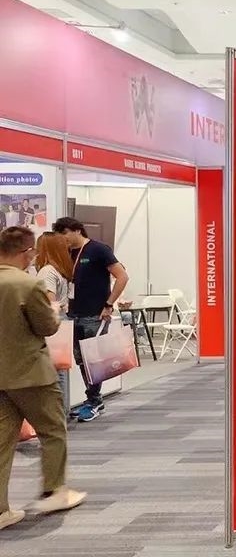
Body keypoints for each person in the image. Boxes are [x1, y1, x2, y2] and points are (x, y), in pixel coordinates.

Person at [0, 226, 86, 531]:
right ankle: (54, 491)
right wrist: (53, 311)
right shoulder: (27, 284)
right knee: (52, 430)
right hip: (32, 373)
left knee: (3, 442)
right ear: (26, 252)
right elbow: (47, 327)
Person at [52, 218, 129, 423]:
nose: (64, 238)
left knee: (94, 360)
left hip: (95, 314)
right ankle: (94, 399)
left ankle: (93, 401)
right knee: (81, 360)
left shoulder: (98, 249)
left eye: (65, 233)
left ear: (77, 230)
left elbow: (122, 276)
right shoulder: (67, 253)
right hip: (73, 314)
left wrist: (109, 304)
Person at [34, 232, 74, 418]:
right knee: (61, 369)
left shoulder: (47, 271)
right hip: (62, 320)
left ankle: (58, 414)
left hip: (54, 322)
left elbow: (49, 303)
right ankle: (62, 411)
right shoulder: (60, 271)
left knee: (55, 371)